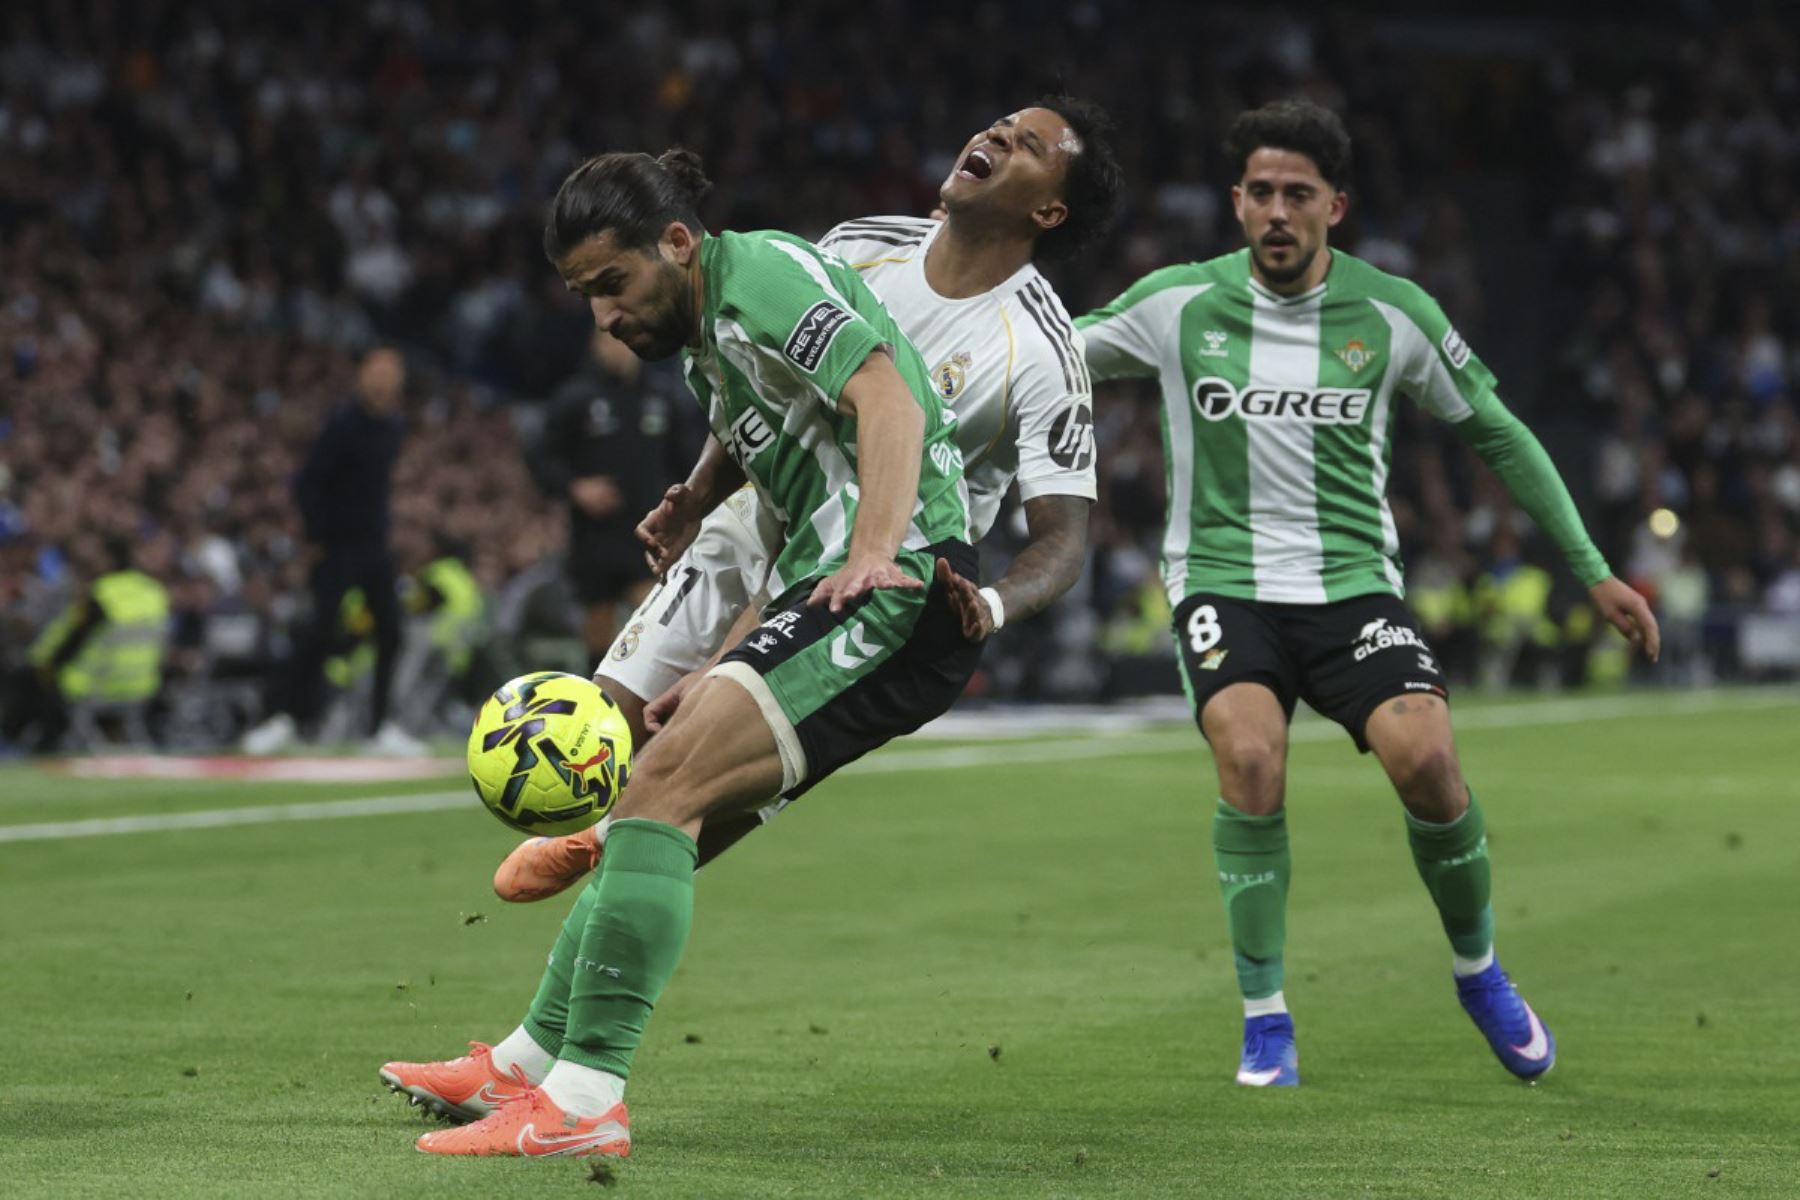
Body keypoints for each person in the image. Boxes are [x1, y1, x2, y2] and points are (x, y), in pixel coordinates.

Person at [379, 102, 1123, 1140]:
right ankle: (527, 1064)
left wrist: (887, 556)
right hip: (803, 556)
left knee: (660, 791)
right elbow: (772, 401)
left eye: (611, 286)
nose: (603, 318)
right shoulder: (803, 274)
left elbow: (895, 406)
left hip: (891, 582)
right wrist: (700, 506)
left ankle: (585, 1098)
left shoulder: (999, 334)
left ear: (677, 244)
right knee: (650, 783)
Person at [1074, 99, 1659, 1088]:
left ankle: (1479, 972)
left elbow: (1499, 432)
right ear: (1236, 200)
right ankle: (1266, 1020)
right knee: (1250, 758)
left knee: (1428, 759)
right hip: (1224, 583)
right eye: (1261, 192)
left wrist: (1592, 567)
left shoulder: (1394, 314)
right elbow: (1049, 354)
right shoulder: (1176, 304)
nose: (1278, 212)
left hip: (1352, 589)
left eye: (1298, 194)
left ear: (1334, 207)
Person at [487, 96, 1121, 897]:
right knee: (605, 724)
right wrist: (700, 490)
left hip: (869, 569)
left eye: (1026, 143)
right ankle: (599, 849)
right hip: (760, 515)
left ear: (1049, 210)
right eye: (999, 123)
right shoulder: (860, 244)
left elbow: (1062, 540)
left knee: (687, 789)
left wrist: (990, 605)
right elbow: (753, 364)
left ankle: (609, 870)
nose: (995, 134)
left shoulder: (1043, 348)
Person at [241, 348, 424, 756]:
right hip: (338, 546)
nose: (384, 382)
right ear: (362, 377)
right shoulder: (342, 425)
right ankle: (283, 718)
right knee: (317, 632)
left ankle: (380, 727)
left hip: (374, 545)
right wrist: (317, 537)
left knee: (391, 632)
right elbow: (308, 483)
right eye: (377, 373)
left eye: (391, 374)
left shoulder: (393, 427)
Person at [530, 328, 699, 665]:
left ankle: (660, 685)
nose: (620, 348)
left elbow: (689, 459)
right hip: (596, 536)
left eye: (624, 339)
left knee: (655, 614)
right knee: (598, 626)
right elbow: (541, 457)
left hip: (651, 529)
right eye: (610, 340)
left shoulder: (663, 396)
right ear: (596, 345)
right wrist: (575, 488)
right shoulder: (575, 398)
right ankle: (597, 688)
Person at [4, 535, 170, 751]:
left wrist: (44, 664)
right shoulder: (154, 591)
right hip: (141, 685)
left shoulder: (103, 594)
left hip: (96, 683)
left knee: (27, 677)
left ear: (108, 560)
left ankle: (17, 742)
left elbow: (72, 642)